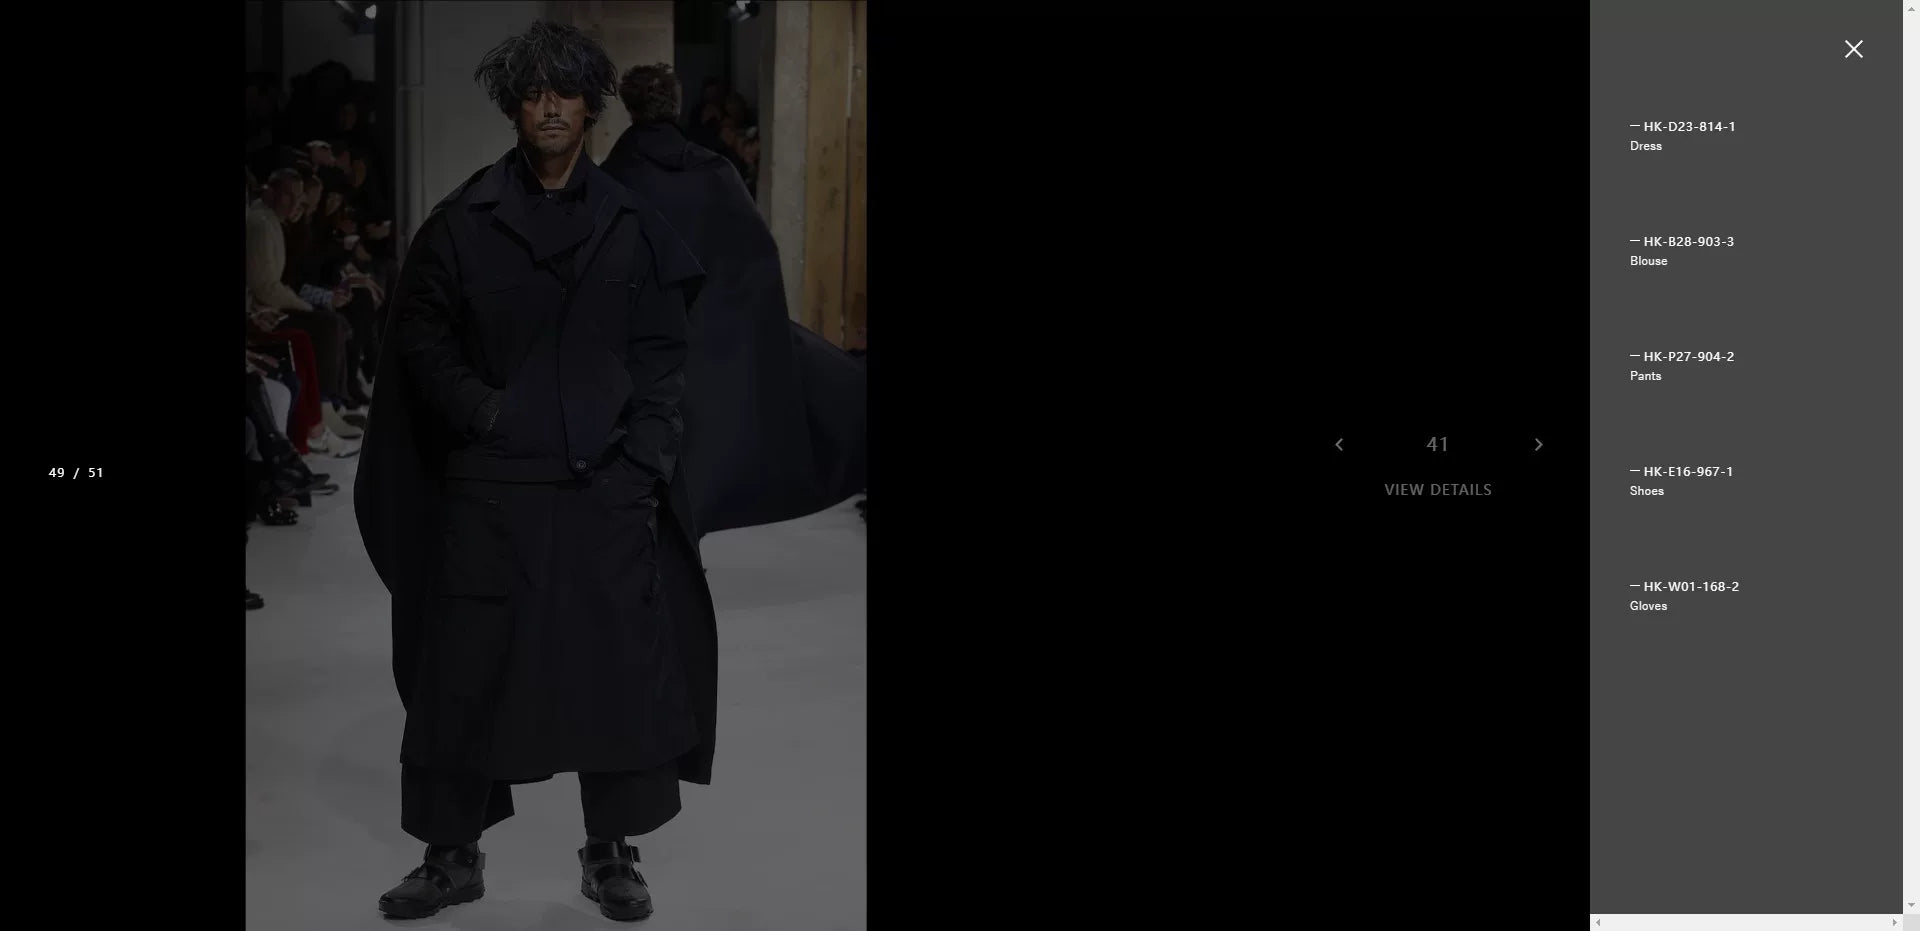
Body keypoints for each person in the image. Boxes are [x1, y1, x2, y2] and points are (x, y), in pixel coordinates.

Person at [353, 22, 817, 923]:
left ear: (592, 106)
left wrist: (644, 457)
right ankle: (451, 855)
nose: (551, 108)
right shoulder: (463, 221)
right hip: (491, 485)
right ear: (514, 108)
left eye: (565, 92)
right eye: (534, 94)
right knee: (464, 670)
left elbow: (664, 353)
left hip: (605, 481)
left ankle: (610, 851)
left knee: (616, 670)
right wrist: (484, 414)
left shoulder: (633, 226)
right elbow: (422, 338)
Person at [604, 63, 867, 536]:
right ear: (676, 104)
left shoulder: (614, 176)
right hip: (722, 325)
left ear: (628, 105)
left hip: (648, 340)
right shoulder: (713, 170)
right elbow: (756, 254)